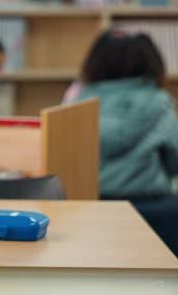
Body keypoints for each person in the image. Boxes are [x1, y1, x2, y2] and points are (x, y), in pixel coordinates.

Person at [73, 30, 178, 255]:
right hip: (154, 212)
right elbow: (174, 160)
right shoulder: (158, 102)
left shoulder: (78, 102)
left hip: (89, 210)